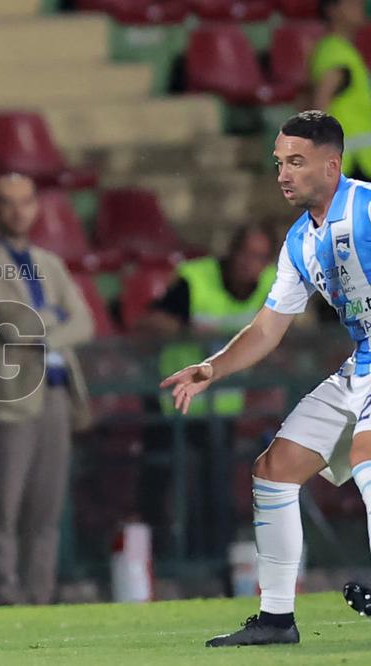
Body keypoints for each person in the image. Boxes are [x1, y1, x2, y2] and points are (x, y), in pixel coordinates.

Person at [163, 110, 371, 647]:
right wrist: (212, 367)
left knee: (368, 456)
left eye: (296, 162)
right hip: (363, 363)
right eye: (279, 162)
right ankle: (277, 618)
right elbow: (266, 328)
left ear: (332, 165)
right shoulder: (299, 241)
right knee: (274, 470)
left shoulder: (366, 206)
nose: (283, 173)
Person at [0, 173, 94, 605]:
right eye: (8, 202)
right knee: (5, 506)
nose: (19, 211)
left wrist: (45, 324)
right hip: (12, 397)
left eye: (26, 202)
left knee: (47, 507)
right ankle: (6, 593)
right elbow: (12, 324)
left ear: (37, 207)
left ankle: (40, 595)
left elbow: (85, 322)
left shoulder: (49, 262)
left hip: (57, 392)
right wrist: (53, 317)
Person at [135, 226, 277, 561]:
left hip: (222, 407)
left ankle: (215, 560)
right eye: (245, 254)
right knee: (160, 483)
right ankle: (161, 560)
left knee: (215, 487)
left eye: (258, 257)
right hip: (173, 402)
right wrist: (189, 331)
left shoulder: (273, 283)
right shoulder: (194, 279)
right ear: (231, 252)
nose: (250, 264)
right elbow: (149, 323)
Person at [311, 0, 371, 180]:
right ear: (333, 10)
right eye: (352, 4)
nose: (360, 6)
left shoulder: (344, 50)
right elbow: (319, 107)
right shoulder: (335, 53)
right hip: (353, 165)